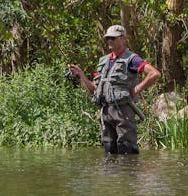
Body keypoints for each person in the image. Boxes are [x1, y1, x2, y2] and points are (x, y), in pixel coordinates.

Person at [67, 25, 161, 154]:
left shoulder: (132, 59)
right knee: (109, 151)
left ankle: (129, 174)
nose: (109, 40)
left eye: (113, 38)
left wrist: (137, 89)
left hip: (123, 112)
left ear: (123, 39)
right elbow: (94, 90)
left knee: (127, 151)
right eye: (107, 38)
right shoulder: (103, 61)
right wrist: (81, 75)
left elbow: (154, 74)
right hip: (105, 112)